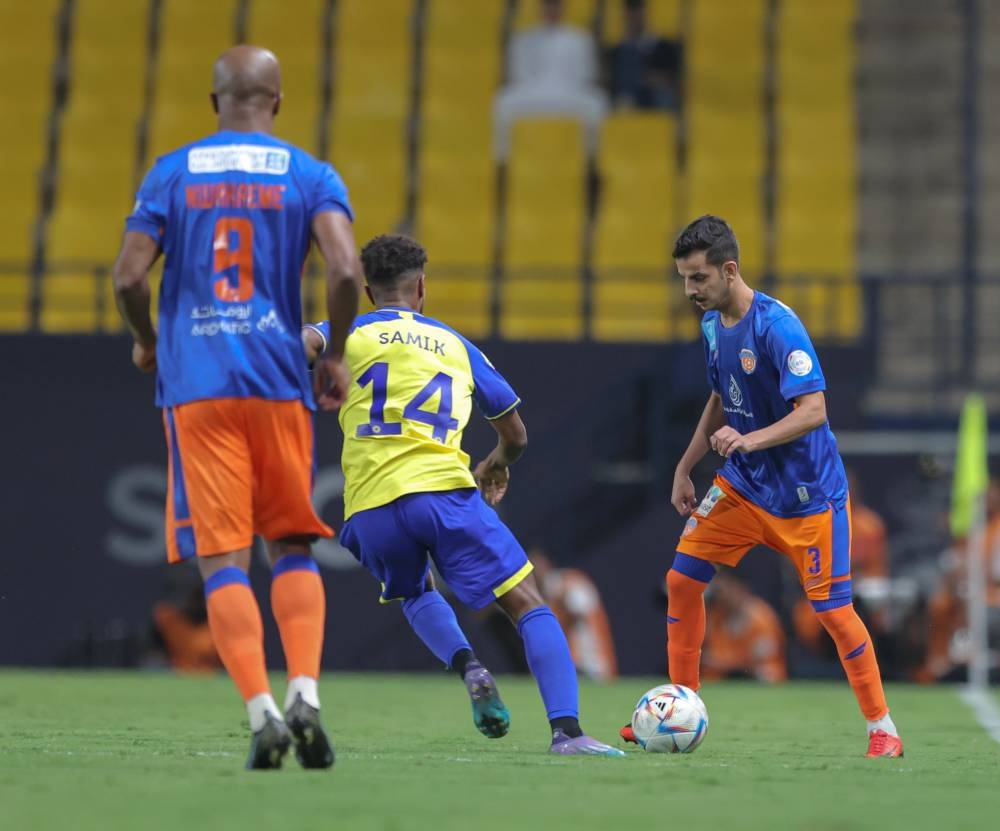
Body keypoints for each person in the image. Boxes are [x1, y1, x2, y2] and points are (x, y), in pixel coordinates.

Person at [112, 45, 362, 770]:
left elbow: (128, 277)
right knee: (291, 543)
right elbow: (346, 269)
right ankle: (305, 692)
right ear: (276, 102)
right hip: (278, 380)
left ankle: (261, 713)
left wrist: (147, 340)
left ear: (214, 102)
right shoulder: (309, 174)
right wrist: (335, 354)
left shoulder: (173, 172)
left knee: (222, 559)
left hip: (198, 386)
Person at [302, 234, 623, 756]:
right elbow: (515, 434)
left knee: (414, 593)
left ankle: (469, 666)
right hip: (443, 494)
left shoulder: (349, 332)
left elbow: (304, 343)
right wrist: (496, 464)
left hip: (369, 507)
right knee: (526, 603)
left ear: (368, 292)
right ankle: (567, 732)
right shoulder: (454, 344)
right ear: (421, 287)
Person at [620, 215, 904, 758]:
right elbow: (720, 395)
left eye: (699, 278)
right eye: (684, 279)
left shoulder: (778, 327)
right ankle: (678, 709)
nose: (690, 290)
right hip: (745, 488)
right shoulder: (712, 325)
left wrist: (749, 440)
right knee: (682, 581)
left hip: (807, 496)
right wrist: (685, 465)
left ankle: (882, 728)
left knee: (833, 612)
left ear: (730, 270)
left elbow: (814, 410)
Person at [493, 0, 609, 159]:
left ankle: (591, 160)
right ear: (541, 8)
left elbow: (587, 77)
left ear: (562, 8)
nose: (551, 10)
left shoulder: (580, 39)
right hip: (533, 93)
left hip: (569, 93)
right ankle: (502, 162)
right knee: (501, 102)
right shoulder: (523, 38)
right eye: (548, 6)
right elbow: (518, 76)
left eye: (555, 6)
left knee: (597, 101)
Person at [531, 550, 619, 681]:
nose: (535, 574)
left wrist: (559, 602)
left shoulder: (569, 583)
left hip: (591, 662)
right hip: (573, 664)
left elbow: (577, 610)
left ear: (548, 565)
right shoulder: (542, 592)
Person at [702, 571, 786, 683]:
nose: (722, 597)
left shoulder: (761, 618)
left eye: (724, 591)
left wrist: (730, 662)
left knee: (766, 672)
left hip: (759, 678)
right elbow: (707, 657)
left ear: (740, 588)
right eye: (719, 593)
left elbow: (765, 659)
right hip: (720, 678)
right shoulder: (715, 615)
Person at [606, 0, 683, 111]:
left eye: (637, 12)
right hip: (626, 101)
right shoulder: (617, 52)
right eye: (630, 14)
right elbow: (613, 83)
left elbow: (674, 82)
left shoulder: (665, 47)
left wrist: (651, 79)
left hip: (654, 100)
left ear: (645, 13)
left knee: (663, 96)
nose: (634, 18)